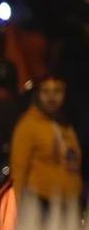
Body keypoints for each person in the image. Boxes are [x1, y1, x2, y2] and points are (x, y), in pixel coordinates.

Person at [9, 74, 82, 206]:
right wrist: (18, 206)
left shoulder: (65, 125)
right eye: (46, 91)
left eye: (57, 91)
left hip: (69, 204)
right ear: (38, 94)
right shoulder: (28, 125)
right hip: (41, 202)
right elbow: (19, 171)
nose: (52, 97)